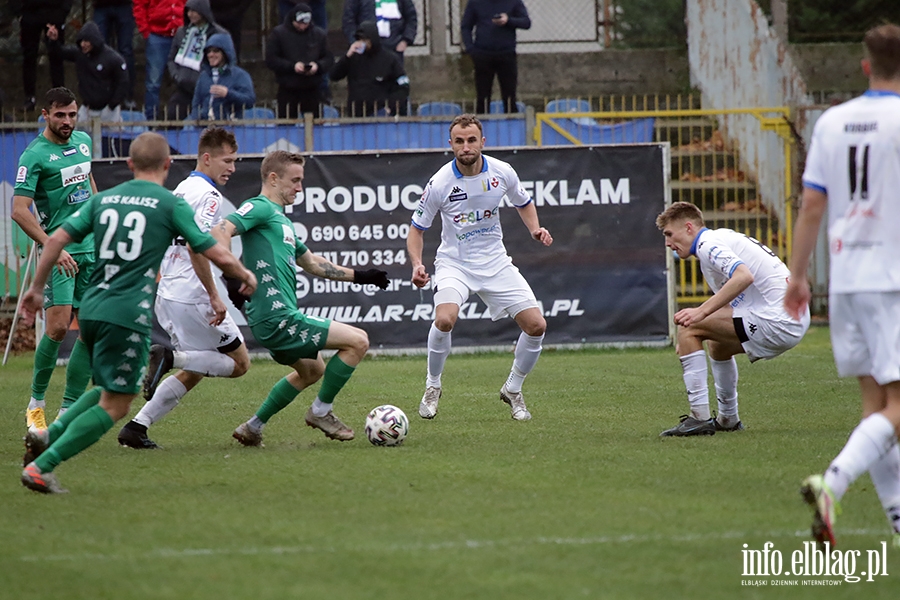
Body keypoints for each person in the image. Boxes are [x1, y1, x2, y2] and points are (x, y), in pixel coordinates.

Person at [19, 131, 257, 494]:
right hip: (127, 312)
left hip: (93, 306)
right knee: (116, 404)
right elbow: (210, 248)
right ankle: (42, 466)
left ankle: (49, 432)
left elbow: (55, 240)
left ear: (129, 165)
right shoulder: (168, 203)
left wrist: (36, 289)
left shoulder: (104, 200)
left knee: (104, 387)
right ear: (167, 165)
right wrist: (242, 274)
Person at [785, 23, 900, 549]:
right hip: (894, 279)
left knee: (876, 409)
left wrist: (799, 274)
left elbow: (812, 204)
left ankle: (898, 521)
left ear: (864, 66)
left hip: (849, 278)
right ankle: (833, 482)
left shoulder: (833, 121)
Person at [211, 150, 390, 446]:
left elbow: (313, 264)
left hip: (273, 320)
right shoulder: (260, 208)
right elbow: (220, 230)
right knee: (358, 341)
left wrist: (362, 275)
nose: (299, 188)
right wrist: (232, 276)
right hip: (277, 317)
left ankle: (252, 427)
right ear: (273, 178)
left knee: (313, 370)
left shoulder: (281, 222)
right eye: (295, 181)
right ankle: (321, 412)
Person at [407, 114, 552, 421]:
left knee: (537, 326)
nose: (466, 146)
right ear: (451, 145)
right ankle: (433, 386)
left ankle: (513, 389)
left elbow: (523, 202)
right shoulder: (439, 183)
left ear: (482, 142)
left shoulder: (502, 172)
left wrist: (535, 229)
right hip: (454, 264)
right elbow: (416, 229)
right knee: (445, 319)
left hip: (496, 262)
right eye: (459, 141)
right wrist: (418, 264)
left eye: (472, 140)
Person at [117, 126, 248, 449]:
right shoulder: (209, 195)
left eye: (235, 161)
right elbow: (196, 245)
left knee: (196, 365)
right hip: (194, 296)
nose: (232, 168)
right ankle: (169, 358)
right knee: (239, 364)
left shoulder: (179, 190)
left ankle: (136, 427)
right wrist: (215, 296)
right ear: (206, 158)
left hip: (169, 292)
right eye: (227, 161)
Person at [656, 202, 810, 437]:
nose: (667, 243)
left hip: (777, 319)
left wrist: (700, 316)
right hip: (792, 317)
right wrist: (696, 333)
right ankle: (728, 419)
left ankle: (699, 419)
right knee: (716, 344)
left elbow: (743, 276)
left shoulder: (708, 245)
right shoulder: (719, 239)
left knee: (689, 326)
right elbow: (735, 295)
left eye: (669, 234)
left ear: (689, 228)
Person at [11, 87, 98, 431]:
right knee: (60, 327)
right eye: (60, 115)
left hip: (92, 249)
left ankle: (68, 412)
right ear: (44, 114)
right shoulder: (34, 156)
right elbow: (19, 211)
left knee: (91, 329)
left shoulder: (84, 142)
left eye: (72, 114)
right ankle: (36, 404)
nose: (67, 121)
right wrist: (52, 246)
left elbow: (89, 181)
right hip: (60, 253)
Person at [46, 22, 129, 128]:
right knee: (77, 137)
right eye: (81, 41)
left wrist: (113, 104)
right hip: (88, 108)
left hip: (108, 109)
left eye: (86, 41)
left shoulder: (113, 58)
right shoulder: (79, 54)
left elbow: (123, 82)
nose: (83, 44)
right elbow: (59, 53)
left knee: (112, 139)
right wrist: (53, 41)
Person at [461, 0, 531, 114]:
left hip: (506, 54)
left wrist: (508, 20)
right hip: (482, 55)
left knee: (509, 96)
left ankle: (511, 127)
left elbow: (526, 22)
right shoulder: (475, 2)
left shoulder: (514, 2)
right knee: (482, 97)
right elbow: (466, 26)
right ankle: (481, 128)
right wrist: (470, 49)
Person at [266, 2, 333, 119]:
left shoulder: (319, 34)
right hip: (287, 87)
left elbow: (329, 58)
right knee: (286, 127)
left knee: (314, 127)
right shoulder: (278, 34)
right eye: (299, 23)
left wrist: (317, 66)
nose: (302, 27)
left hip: (312, 88)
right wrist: (292, 66)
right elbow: (271, 59)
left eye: (305, 24)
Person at [331, 20, 409, 117]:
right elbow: (334, 75)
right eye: (360, 40)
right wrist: (347, 57)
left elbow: (403, 86)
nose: (362, 43)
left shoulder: (390, 59)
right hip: (356, 114)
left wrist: (390, 106)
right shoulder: (353, 57)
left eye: (365, 40)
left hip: (380, 114)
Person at [166, 0, 228, 120]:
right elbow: (171, 59)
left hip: (209, 90)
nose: (190, 14)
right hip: (184, 88)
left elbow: (227, 60)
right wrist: (176, 76)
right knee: (172, 115)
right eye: (188, 11)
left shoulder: (218, 34)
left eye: (194, 11)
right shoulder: (181, 32)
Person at [11, 0, 71, 111]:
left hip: (54, 13)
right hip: (30, 14)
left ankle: (60, 99)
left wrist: (63, 12)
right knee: (29, 57)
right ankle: (29, 98)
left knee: (56, 55)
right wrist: (19, 13)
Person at [134, 0, 185, 119]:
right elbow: (139, 5)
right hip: (157, 35)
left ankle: (182, 117)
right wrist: (145, 31)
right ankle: (151, 120)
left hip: (181, 34)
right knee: (153, 82)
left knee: (185, 79)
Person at [189, 33, 255, 120]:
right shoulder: (203, 76)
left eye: (216, 51)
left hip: (231, 127)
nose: (211, 54)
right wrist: (197, 120)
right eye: (208, 51)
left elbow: (250, 101)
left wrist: (228, 94)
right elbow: (196, 104)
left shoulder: (240, 75)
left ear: (225, 53)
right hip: (205, 129)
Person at [342, 0, 417, 65]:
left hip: (394, 48)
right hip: (365, 50)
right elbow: (348, 21)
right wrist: (355, 42)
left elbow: (411, 18)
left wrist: (405, 41)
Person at [93, 0, 137, 106]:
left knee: (126, 51)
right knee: (99, 49)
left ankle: (126, 94)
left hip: (124, 5)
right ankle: (101, 94)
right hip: (100, 6)